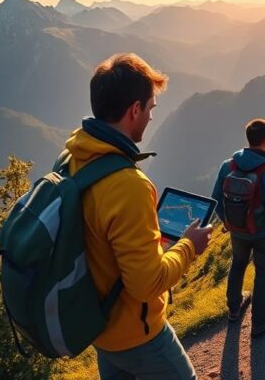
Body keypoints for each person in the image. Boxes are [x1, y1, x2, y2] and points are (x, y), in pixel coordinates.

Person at [72, 53, 212, 380]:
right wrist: (189, 245)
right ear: (134, 110)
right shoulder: (127, 185)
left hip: (100, 330)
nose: (150, 117)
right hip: (139, 337)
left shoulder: (75, 157)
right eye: (150, 107)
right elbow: (147, 284)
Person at [211, 118, 265, 337]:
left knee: (237, 264)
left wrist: (228, 222)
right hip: (264, 233)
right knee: (263, 272)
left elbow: (216, 200)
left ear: (248, 139)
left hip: (238, 232)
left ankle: (234, 309)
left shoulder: (227, 166)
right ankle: (260, 321)